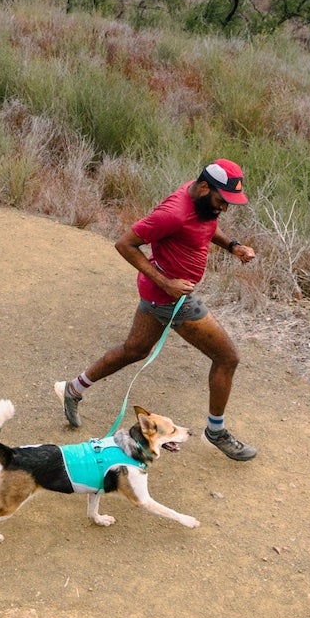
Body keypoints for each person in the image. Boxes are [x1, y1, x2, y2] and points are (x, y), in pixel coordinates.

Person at [57, 159, 259, 460]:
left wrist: (232, 246)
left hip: (157, 296)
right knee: (227, 357)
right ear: (204, 187)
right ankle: (215, 431)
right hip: (170, 300)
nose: (224, 209)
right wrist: (166, 283)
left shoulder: (201, 203)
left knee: (134, 349)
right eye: (221, 201)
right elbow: (124, 244)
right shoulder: (173, 213)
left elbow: (204, 228)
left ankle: (74, 388)